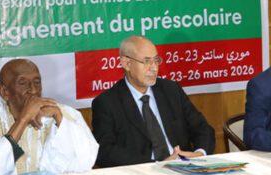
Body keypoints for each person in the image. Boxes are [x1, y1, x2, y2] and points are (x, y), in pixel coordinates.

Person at [0, 59, 98, 175]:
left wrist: (59, 120)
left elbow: (85, 162)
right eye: (22, 83)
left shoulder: (63, 113)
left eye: (37, 82)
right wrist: (23, 120)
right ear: (4, 92)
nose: (33, 90)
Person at [92, 36, 215, 167]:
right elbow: (104, 151)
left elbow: (203, 128)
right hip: (140, 173)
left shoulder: (171, 90)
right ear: (126, 63)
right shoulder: (107, 102)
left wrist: (199, 153)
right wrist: (156, 165)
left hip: (183, 167)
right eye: (146, 61)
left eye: (156, 60)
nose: (154, 68)